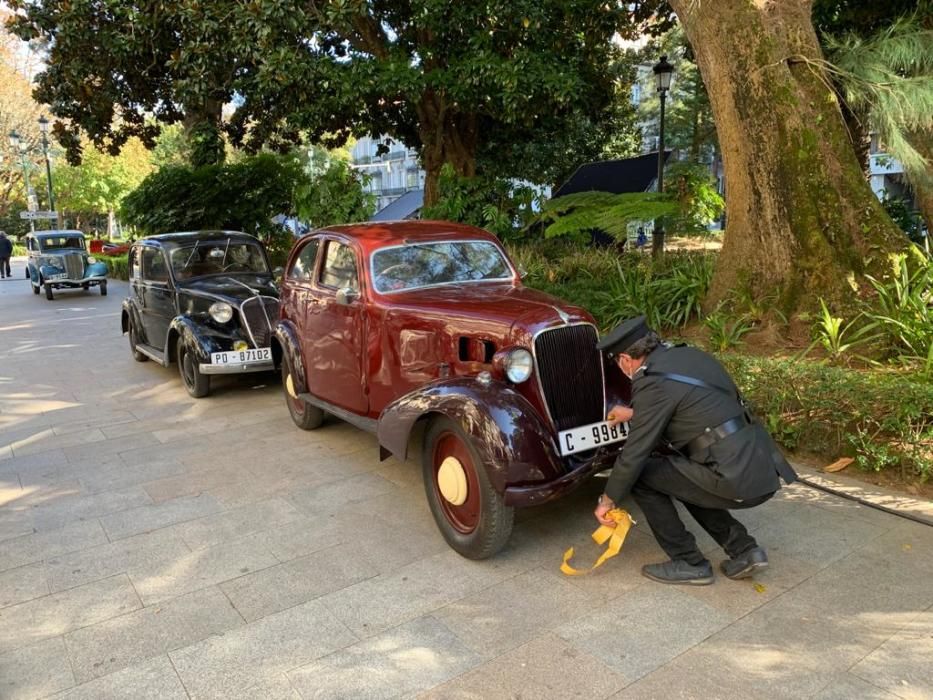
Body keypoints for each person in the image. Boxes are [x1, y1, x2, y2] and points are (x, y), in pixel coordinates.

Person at [593, 316, 797, 585]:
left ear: (625, 359)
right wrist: (633, 413)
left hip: (733, 475)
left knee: (643, 477)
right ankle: (745, 551)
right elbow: (693, 404)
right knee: (682, 477)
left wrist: (607, 500)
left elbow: (635, 453)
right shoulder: (688, 354)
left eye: (620, 365)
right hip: (759, 464)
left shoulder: (649, 379)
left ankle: (688, 561)